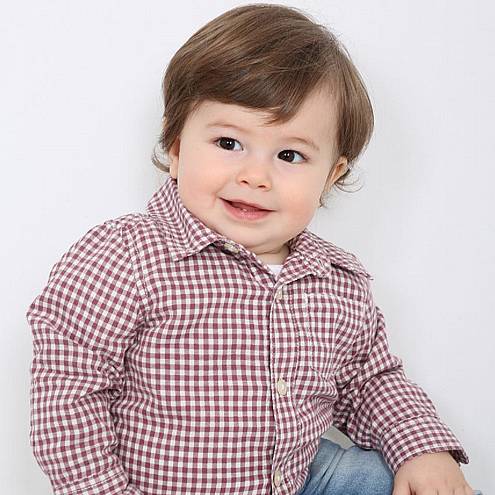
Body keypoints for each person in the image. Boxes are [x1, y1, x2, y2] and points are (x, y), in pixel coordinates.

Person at [25, 4, 482, 495]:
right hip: (162, 485)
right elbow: (69, 394)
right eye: (228, 143)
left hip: (300, 478)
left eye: (290, 155)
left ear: (331, 175)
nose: (256, 176)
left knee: (384, 476)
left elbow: (371, 382)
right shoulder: (124, 257)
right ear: (176, 147)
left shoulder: (337, 279)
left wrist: (422, 448)